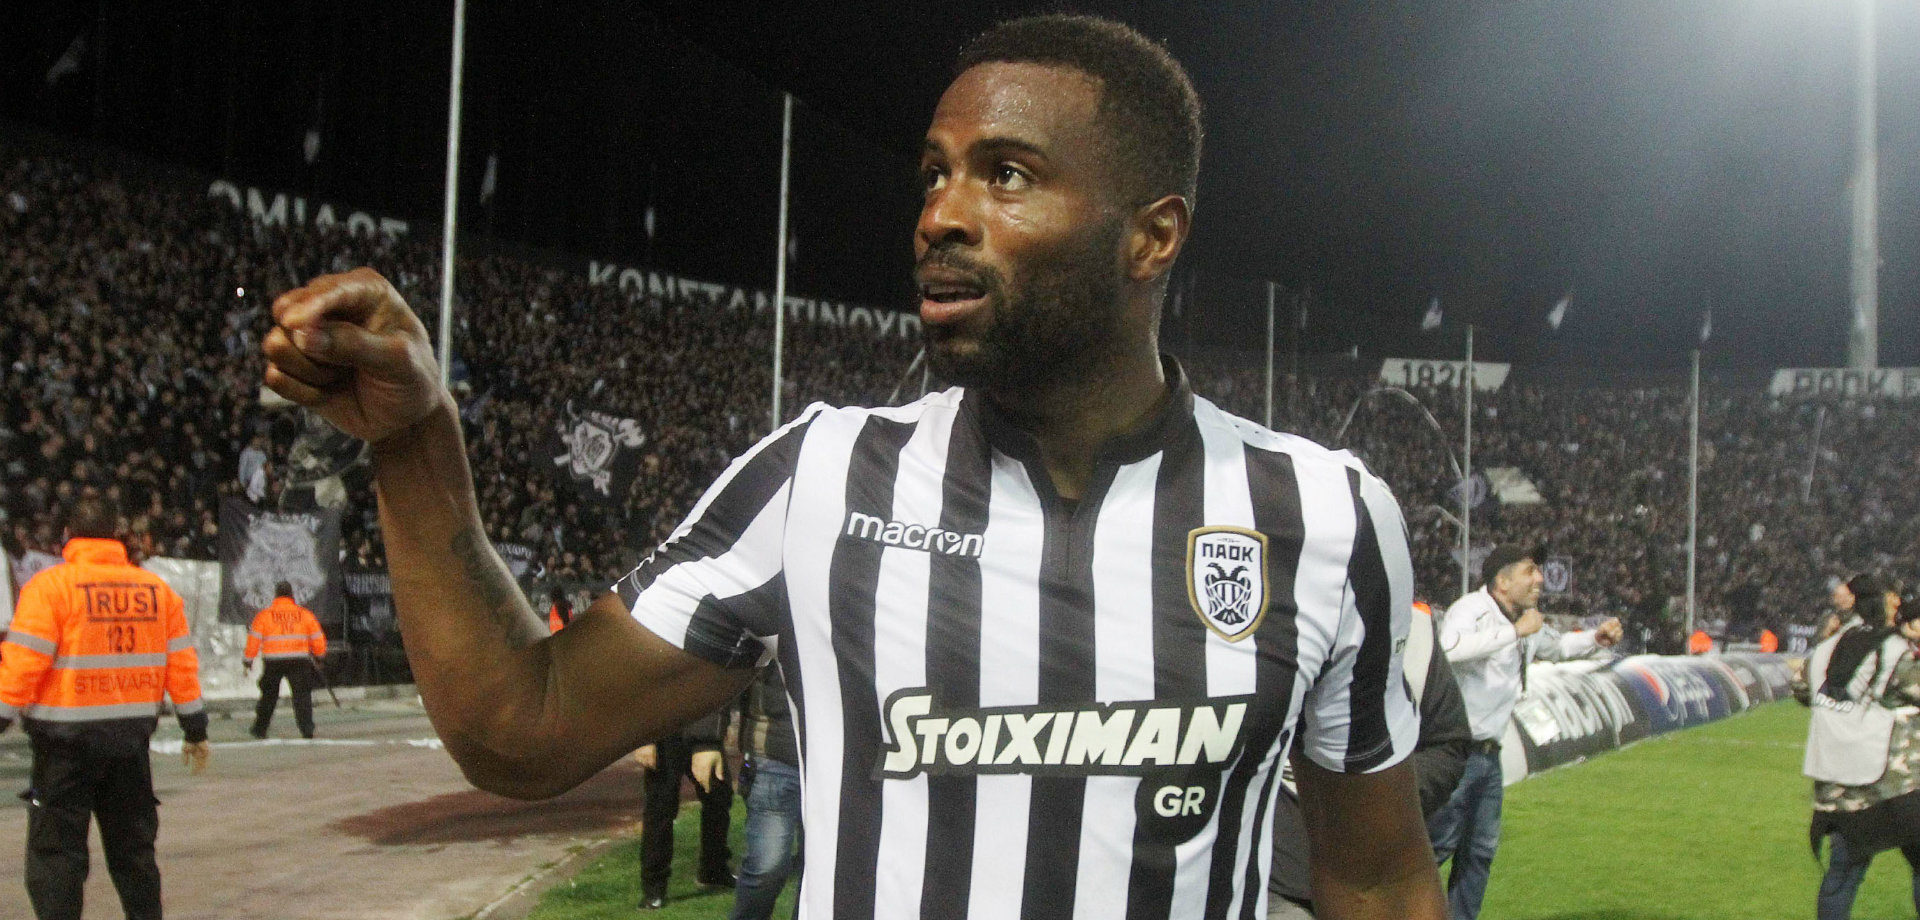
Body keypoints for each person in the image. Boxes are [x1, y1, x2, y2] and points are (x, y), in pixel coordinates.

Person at [259, 14, 1443, 919]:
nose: (942, 214)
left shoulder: (1323, 515)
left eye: (1007, 174)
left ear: (1151, 235)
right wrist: (415, 441)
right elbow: (525, 723)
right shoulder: (823, 474)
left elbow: (1380, 880)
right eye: (935, 172)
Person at [0, 496, 211, 920]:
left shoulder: (50, 588)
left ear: (67, 536)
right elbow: (182, 666)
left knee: (57, 855)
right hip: (129, 746)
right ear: (117, 535)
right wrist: (195, 728)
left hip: (64, 748)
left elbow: (23, 666)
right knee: (134, 854)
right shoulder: (157, 592)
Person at [1430, 544, 1621, 920]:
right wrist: (1513, 632)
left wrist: (1593, 639)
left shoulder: (1526, 620)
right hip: (1455, 752)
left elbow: (1556, 646)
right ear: (1502, 582)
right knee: (1435, 847)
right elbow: (1448, 649)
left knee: (1479, 853)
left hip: (1489, 756)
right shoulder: (1471, 610)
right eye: (1530, 571)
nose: (1539, 579)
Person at [1267, 600, 1472, 918]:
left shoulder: (1414, 625)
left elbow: (1448, 743)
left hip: (1379, 877)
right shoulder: (1258, 612)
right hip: (1277, 881)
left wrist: (1378, 796)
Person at [1805, 583, 1920, 919]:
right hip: (1893, 784)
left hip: (1840, 783)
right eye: (1893, 603)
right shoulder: (1895, 651)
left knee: (1843, 872)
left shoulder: (1829, 647)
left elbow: (1802, 687)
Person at [634, 704, 735, 910]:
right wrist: (645, 736)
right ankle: (654, 888)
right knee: (660, 808)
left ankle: (714, 870)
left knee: (719, 797)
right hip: (665, 730)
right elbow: (644, 689)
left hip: (701, 727)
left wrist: (715, 733)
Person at [732, 664, 802, 920]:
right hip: (774, 756)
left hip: (835, 759)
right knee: (766, 868)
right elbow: (724, 662)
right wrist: (704, 741)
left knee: (825, 869)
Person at [244, 581, 328, 739]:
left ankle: (260, 729)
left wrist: (248, 660)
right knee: (302, 696)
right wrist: (319, 656)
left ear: (276, 595)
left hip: (273, 661)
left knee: (269, 696)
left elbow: (254, 640)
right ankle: (307, 729)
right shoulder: (304, 614)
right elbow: (317, 637)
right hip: (299, 660)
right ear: (291, 595)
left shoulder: (265, 615)